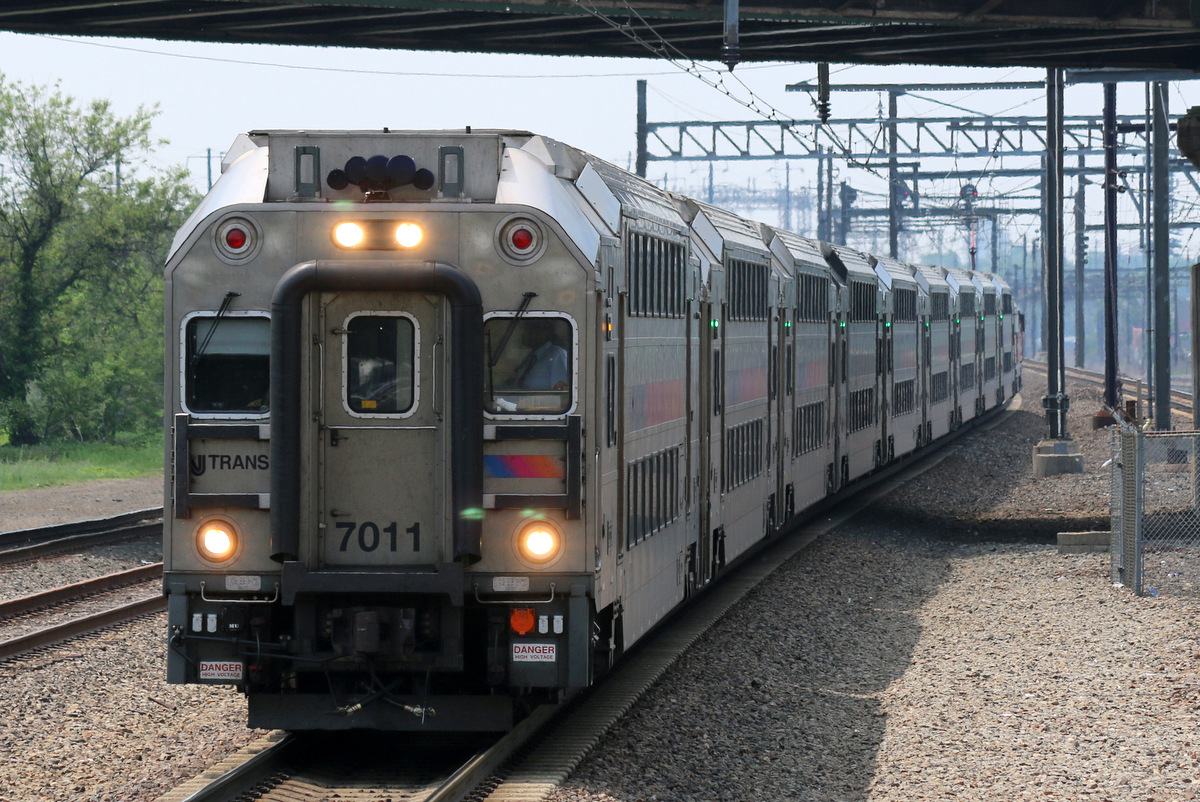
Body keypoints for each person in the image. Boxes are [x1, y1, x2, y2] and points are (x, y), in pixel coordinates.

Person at [509, 319, 569, 391]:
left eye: (528, 331)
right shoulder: (531, 357)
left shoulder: (557, 355)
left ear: (542, 333)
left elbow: (560, 391)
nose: (523, 335)